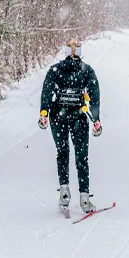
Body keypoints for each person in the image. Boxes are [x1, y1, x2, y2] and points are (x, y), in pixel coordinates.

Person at [38, 38, 102, 214]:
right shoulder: (87, 71)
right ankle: (84, 197)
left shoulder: (55, 70)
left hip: (58, 116)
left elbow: (47, 92)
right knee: (82, 157)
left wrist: (44, 112)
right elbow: (94, 96)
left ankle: (64, 192)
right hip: (78, 117)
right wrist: (95, 118)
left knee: (63, 153)